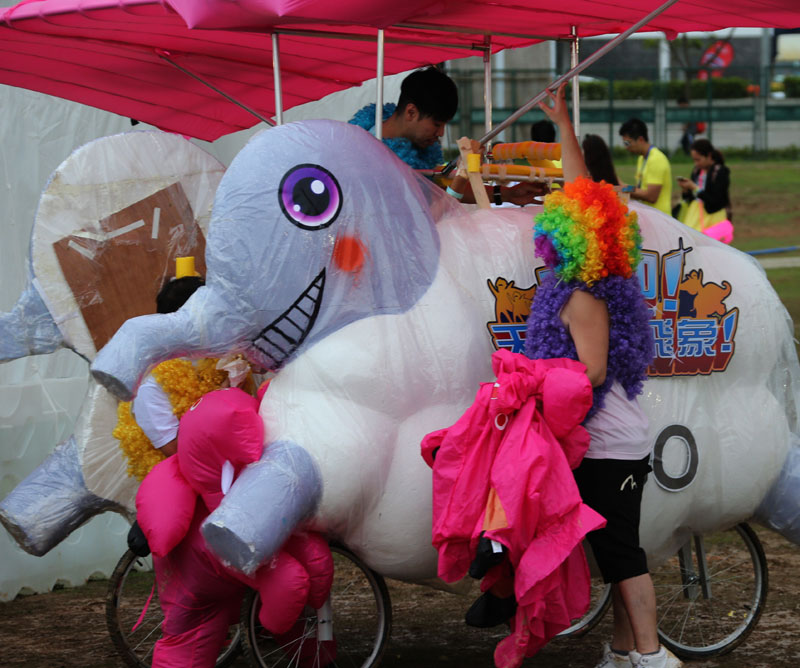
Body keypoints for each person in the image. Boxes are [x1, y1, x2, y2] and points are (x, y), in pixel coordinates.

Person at [533, 84, 682, 668]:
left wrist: (535, 384)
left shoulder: (587, 297)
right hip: (600, 443)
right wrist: (566, 125)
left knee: (621, 556)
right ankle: (623, 650)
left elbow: (591, 370)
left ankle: (651, 654)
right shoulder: (582, 283)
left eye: (559, 220)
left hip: (611, 446)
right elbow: (581, 188)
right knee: (617, 553)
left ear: (570, 238)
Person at [349, 66, 544, 206]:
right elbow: (440, 211)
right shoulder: (368, 156)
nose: (441, 133)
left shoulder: (411, 151)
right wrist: (462, 174)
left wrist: (507, 193)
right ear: (411, 112)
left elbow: (438, 189)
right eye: (436, 124)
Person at [675, 138, 732, 235]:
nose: (696, 163)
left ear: (709, 156)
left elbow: (715, 200)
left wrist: (694, 188)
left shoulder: (720, 172)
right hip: (695, 217)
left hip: (713, 218)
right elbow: (691, 198)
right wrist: (686, 190)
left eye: (698, 159)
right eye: (694, 160)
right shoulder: (696, 171)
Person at [618, 118, 672, 216]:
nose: (626, 147)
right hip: (650, 217)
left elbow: (651, 196)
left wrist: (623, 187)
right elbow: (639, 190)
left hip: (660, 219)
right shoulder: (642, 159)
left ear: (640, 139)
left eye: (627, 143)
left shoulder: (656, 159)